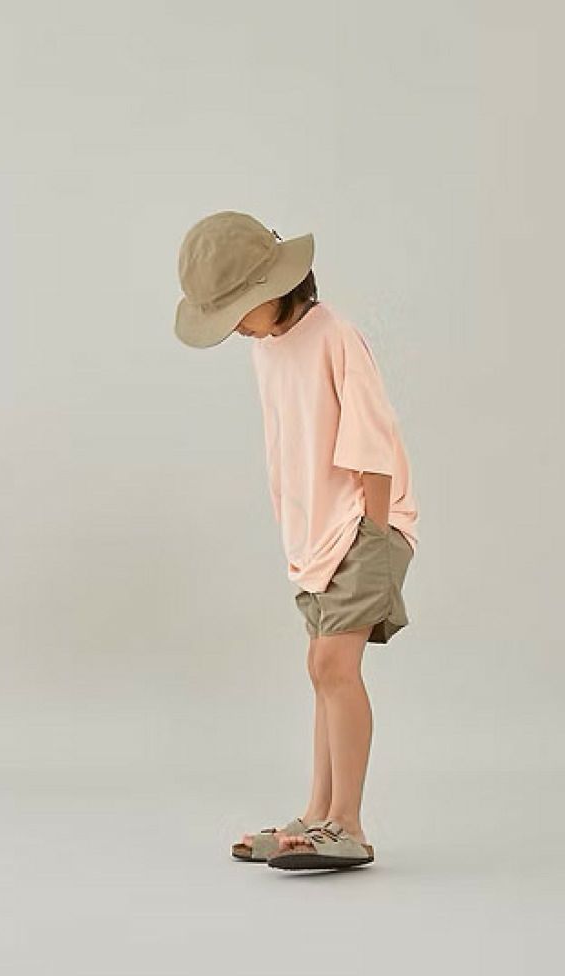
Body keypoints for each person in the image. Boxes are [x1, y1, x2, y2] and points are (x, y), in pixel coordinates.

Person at [174, 210, 419, 870]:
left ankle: (349, 823)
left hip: (365, 524)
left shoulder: (334, 336)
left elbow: (373, 442)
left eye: (235, 312)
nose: (233, 329)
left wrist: (374, 533)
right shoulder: (266, 351)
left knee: (333, 667)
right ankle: (317, 816)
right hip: (314, 539)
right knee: (321, 672)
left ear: (271, 287)